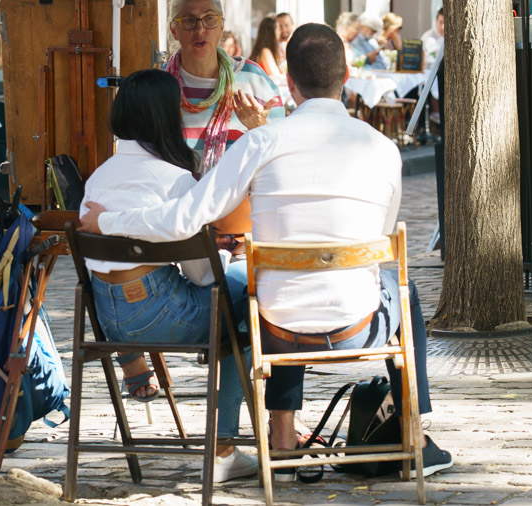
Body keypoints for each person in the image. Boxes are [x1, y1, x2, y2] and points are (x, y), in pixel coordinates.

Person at [82, 24, 452, 481]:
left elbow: (185, 218)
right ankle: (414, 429)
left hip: (278, 330)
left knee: (264, 292)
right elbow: (378, 236)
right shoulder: (383, 147)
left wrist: (107, 221)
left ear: (289, 83)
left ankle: (280, 437)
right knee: (405, 290)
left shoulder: (260, 143)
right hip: (359, 327)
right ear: (347, 76)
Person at [79, 70, 258, 483]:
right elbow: (200, 279)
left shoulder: (98, 178)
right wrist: (227, 257)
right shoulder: (175, 179)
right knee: (241, 309)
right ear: (166, 118)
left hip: (109, 321)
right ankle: (224, 449)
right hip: (162, 314)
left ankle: (225, 443)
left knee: (230, 299)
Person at [167, 0, 284, 172]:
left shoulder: (254, 80)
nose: (200, 29)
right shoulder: (158, 84)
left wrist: (259, 128)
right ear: (174, 30)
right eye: (189, 21)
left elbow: (280, 158)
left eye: (210, 19)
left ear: (221, 26)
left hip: (237, 200)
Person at [250, 15, 283, 79]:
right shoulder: (265, 51)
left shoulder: (262, 50)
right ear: (272, 32)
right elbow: (276, 76)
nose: (280, 31)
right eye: (278, 28)